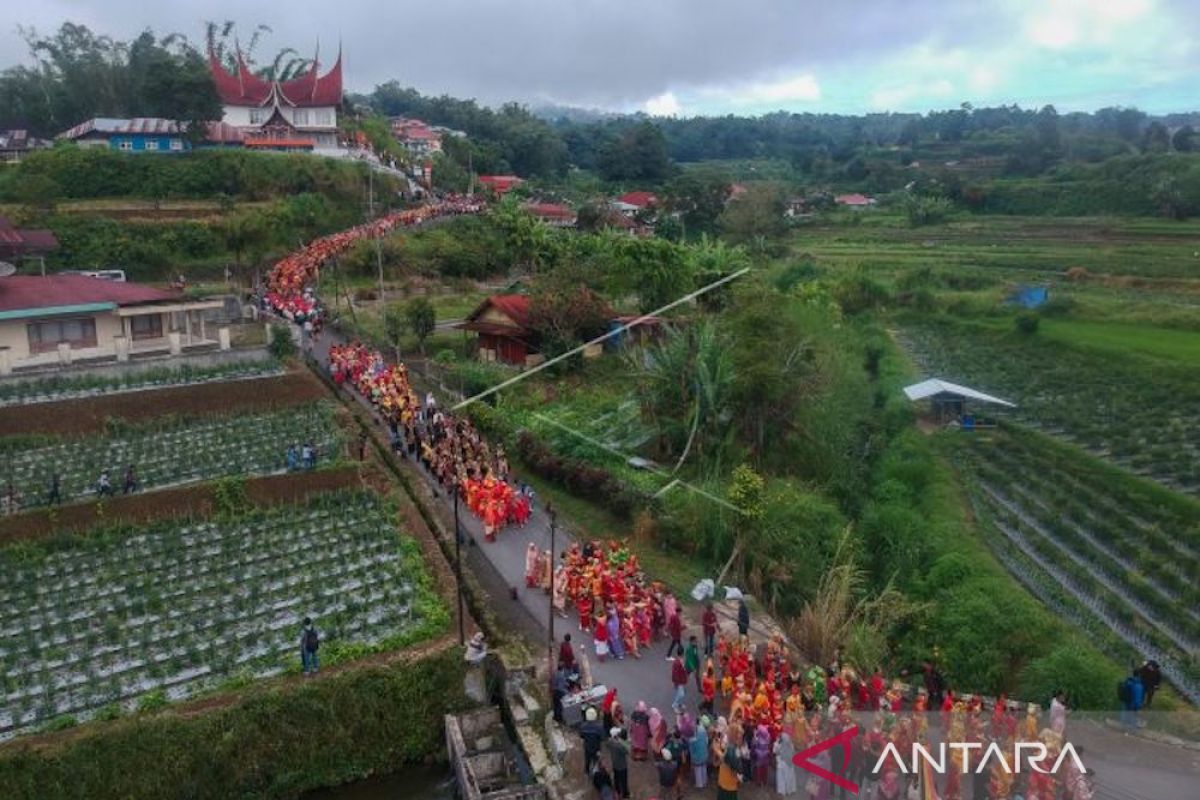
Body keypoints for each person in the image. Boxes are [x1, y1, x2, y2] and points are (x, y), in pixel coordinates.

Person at [607, 728, 631, 799]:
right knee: (624, 780)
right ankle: (625, 794)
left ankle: (617, 790)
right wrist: (626, 742)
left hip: (615, 764)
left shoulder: (610, 742)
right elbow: (627, 751)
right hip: (622, 766)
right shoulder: (619, 746)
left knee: (616, 778)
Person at [580, 707, 605, 775]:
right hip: (596, 748)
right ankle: (595, 773)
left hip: (587, 747)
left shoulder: (583, 726)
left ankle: (587, 771)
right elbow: (602, 739)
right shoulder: (599, 727)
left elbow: (582, 736)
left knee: (587, 760)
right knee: (596, 761)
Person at [689, 715, 710, 789]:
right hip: (704, 754)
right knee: (704, 768)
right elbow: (706, 741)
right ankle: (704, 781)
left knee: (698, 770)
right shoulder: (703, 731)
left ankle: (699, 784)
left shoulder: (694, 737)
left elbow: (692, 744)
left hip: (697, 756)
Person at [775, 730, 798, 796]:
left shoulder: (780, 746)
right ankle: (789, 790)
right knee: (789, 777)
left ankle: (783, 791)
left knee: (782, 778)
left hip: (783, 764)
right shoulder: (790, 745)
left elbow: (776, 752)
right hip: (789, 764)